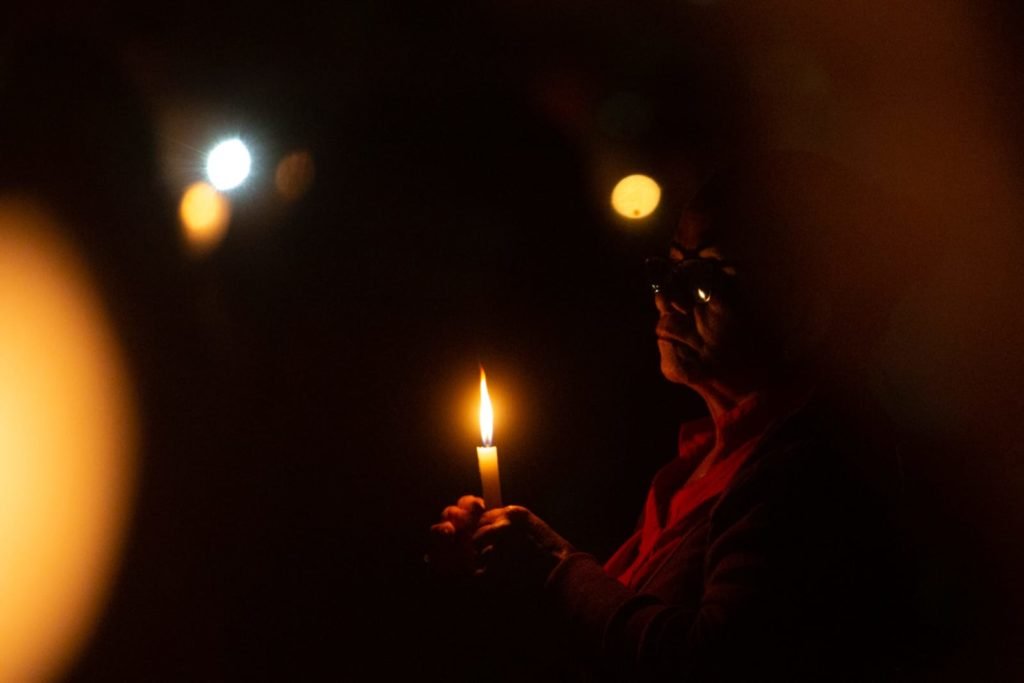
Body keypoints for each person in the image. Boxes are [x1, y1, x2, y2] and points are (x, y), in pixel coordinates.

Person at [430, 152, 909, 681]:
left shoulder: (811, 472)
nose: (668, 300)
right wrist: (497, 578)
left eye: (704, 278)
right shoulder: (702, 460)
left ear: (807, 307)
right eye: (667, 271)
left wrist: (556, 565)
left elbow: (712, 662)